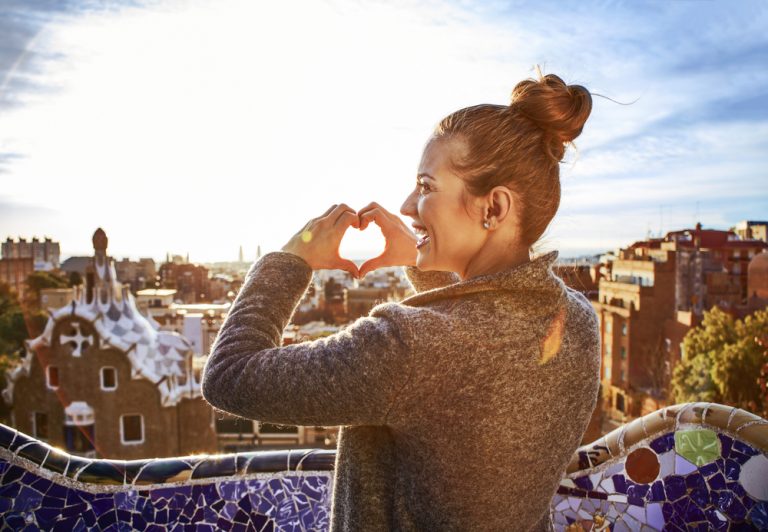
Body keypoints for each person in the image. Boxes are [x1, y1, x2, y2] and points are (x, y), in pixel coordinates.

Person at [201, 71, 601, 531]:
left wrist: (291, 260)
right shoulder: (577, 321)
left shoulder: (407, 347)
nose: (408, 206)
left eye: (426, 186)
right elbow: (464, 397)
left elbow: (229, 375)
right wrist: (426, 263)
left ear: (493, 208)